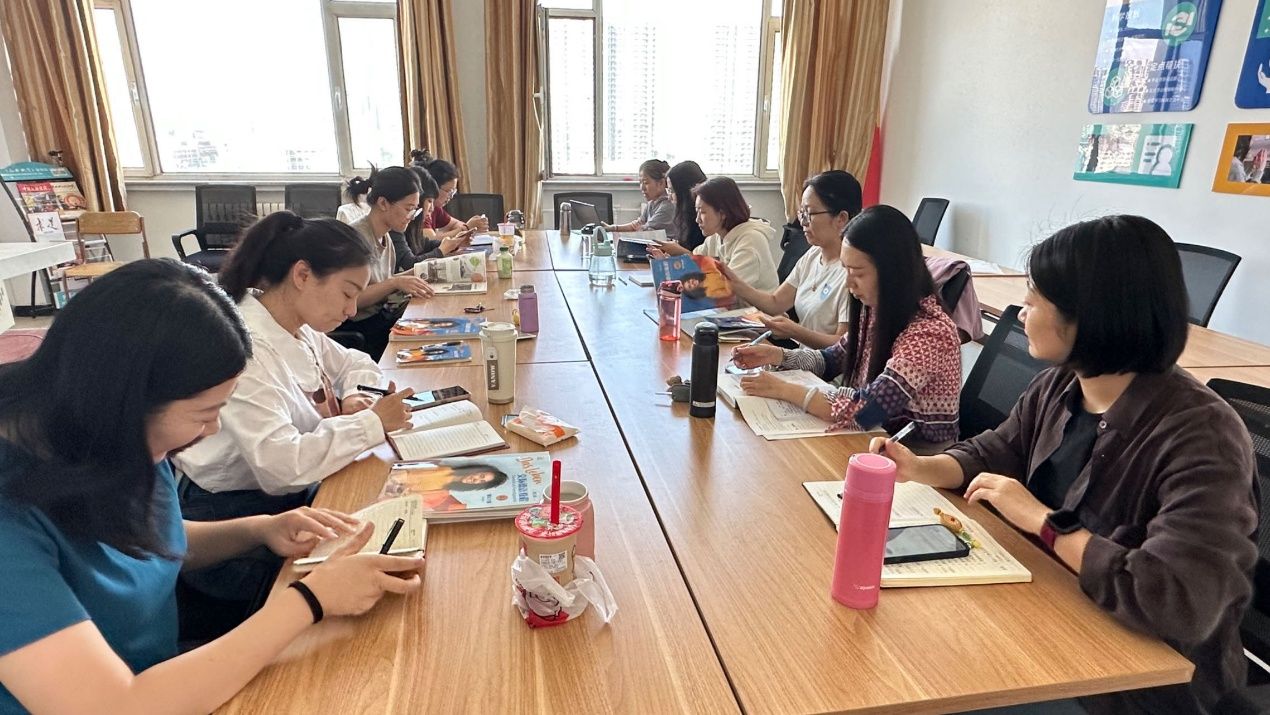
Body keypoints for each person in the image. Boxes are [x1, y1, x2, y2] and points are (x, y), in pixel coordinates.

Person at [0, 259, 422, 714]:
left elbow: (150, 542)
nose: (213, 429)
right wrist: (310, 601)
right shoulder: (13, 522)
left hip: (173, 679)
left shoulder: (110, 440)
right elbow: (113, 706)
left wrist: (258, 530)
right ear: (125, 399)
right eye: (204, 414)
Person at [874, 215, 1256, 714]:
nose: (1022, 311)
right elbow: (998, 450)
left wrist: (1045, 524)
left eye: (1035, 300)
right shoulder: (1062, 383)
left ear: (1090, 315)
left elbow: (1177, 600)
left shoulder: (1203, 436)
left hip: (1137, 683)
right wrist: (920, 468)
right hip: (1045, 610)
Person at [174, 212, 416, 607]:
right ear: (302, 275)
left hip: (287, 502)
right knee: (368, 587)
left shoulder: (295, 325)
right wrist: (371, 423)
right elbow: (281, 467)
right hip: (230, 521)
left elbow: (355, 362)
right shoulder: (247, 346)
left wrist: (356, 396)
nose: (352, 310)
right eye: (347, 293)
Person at [733, 205, 961, 451]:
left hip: (916, 456)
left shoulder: (929, 333)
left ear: (893, 271)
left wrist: (786, 390)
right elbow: (832, 359)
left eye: (858, 273)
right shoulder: (876, 310)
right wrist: (778, 356)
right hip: (872, 440)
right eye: (846, 270)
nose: (849, 283)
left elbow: (868, 409)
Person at [722, 171, 859, 349]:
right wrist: (736, 284)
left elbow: (842, 346)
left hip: (822, 366)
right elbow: (776, 302)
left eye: (809, 213)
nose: (802, 222)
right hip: (802, 358)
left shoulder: (853, 273)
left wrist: (794, 331)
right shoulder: (813, 255)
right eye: (802, 213)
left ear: (841, 218)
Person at [334, 165, 434, 361]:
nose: (411, 216)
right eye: (408, 209)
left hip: (380, 318)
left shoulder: (385, 236)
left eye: (414, 210)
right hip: (362, 328)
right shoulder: (357, 239)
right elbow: (353, 300)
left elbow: (382, 282)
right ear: (383, 203)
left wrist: (418, 271)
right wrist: (395, 282)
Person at [649, 177, 779, 296]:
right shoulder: (716, 237)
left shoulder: (751, 241)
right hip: (728, 307)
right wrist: (668, 265)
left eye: (703, 212)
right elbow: (693, 264)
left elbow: (726, 289)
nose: (697, 219)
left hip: (753, 311)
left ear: (723, 213)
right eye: (697, 211)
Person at [392, 166, 473, 273]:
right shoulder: (396, 227)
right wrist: (441, 250)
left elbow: (424, 244)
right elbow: (410, 264)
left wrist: (453, 244)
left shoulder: (411, 226)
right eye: (429, 201)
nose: (432, 209)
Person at [410, 149, 490, 239]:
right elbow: (431, 240)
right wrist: (467, 228)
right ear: (434, 187)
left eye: (453, 192)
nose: (451, 196)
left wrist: (471, 226)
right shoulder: (422, 210)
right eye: (448, 191)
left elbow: (455, 224)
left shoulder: (436, 209)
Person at [604, 159, 677, 243]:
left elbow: (643, 231)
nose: (642, 188)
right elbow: (637, 225)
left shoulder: (667, 206)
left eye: (646, 182)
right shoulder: (652, 203)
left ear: (661, 183)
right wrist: (613, 228)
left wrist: (640, 228)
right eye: (640, 182)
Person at [667, 160, 708, 251]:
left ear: (684, 191)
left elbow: (703, 257)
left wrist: (678, 250)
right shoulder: (684, 215)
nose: (669, 197)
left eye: (671, 191)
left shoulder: (705, 219)